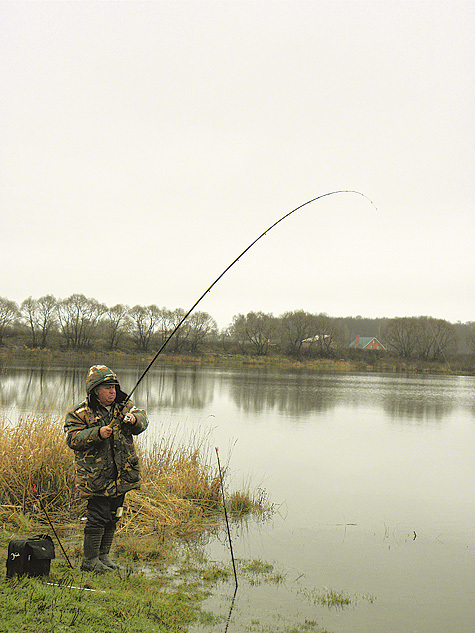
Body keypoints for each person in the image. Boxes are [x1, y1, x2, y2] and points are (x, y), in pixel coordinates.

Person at [64, 365, 148, 573]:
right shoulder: (79, 413)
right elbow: (72, 439)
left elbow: (142, 421)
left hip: (121, 474)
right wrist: (97, 434)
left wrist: (134, 420)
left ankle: (103, 557)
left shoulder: (124, 406)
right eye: (107, 387)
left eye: (114, 387)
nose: (112, 391)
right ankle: (90, 561)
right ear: (95, 390)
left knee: (114, 514)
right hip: (96, 476)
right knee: (98, 516)